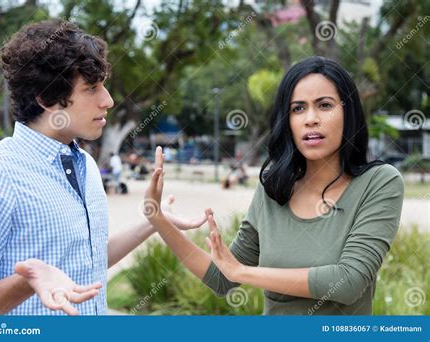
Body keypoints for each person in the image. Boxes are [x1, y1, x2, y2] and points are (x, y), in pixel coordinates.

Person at [0, 20, 205, 316]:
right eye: (91, 88)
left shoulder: (84, 163)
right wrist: (27, 282)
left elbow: (88, 261)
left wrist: (153, 220)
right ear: (47, 99)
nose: (108, 100)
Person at [144, 56, 404, 315]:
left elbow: (349, 282)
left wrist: (243, 272)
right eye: (298, 108)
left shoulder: (379, 182)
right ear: (287, 120)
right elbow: (222, 278)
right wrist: (156, 216)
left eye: (325, 105)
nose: (310, 119)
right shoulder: (275, 185)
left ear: (349, 113)